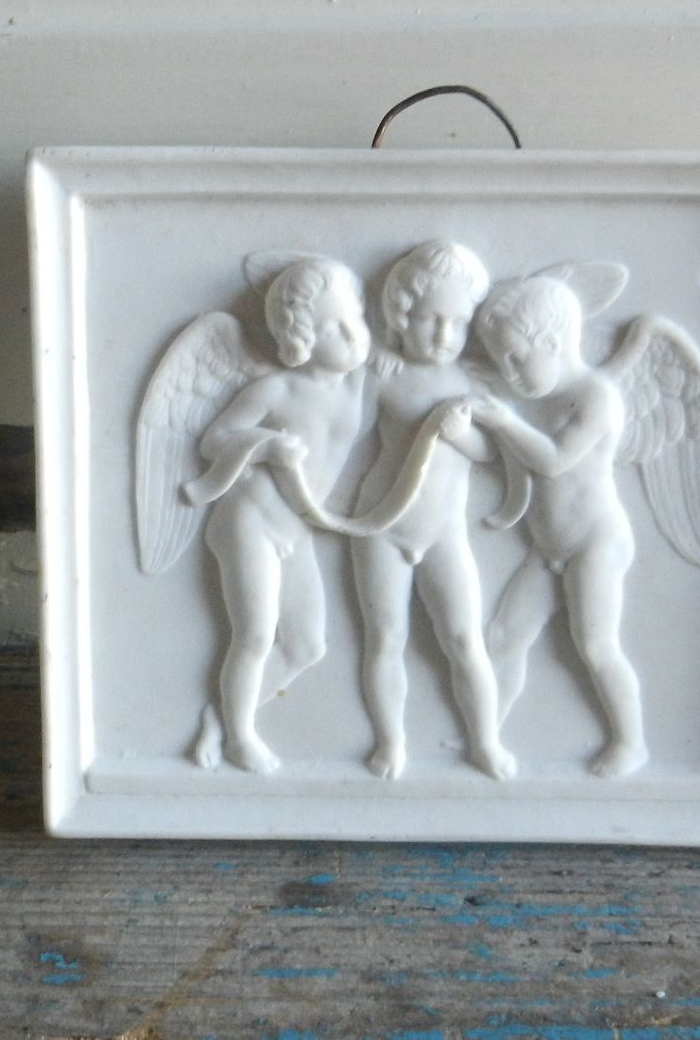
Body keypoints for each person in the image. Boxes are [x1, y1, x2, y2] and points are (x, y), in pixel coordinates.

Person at [467, 272, 649, 778]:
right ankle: (486, 733)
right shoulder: (537, 394)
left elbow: (552, 461)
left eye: (515, 358)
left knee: (596, 645)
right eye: (502, 362)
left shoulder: (596, 396)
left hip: (596, 542)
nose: (509, 373)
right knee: (503, 636)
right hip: (548, 548)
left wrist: (504, 421)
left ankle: (631, 742)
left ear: (551, 342)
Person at [194, 256, 371, 773]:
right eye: (333, 328)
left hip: (297, 527)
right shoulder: (276, 389)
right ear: (300, 337)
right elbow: (213, 440)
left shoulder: (360, 383)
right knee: (255, 635)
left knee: (307, 645)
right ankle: (240, 737)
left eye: (355, 320)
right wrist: (265, 444)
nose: (352, 336)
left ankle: (219, 718)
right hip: (250, 519)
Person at [350, 240, 515, 780]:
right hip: (381, 524)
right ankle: (391, 742)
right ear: (402, 315)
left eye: (457, 323)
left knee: (465, 639)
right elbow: (347, 434)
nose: (445, 335)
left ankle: (485, 742)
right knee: (385, 639)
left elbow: (492, 454)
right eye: (430, 321)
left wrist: (462, 435)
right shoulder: (385, 375)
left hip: (444, 533)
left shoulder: (468, 382)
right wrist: (366, 365)